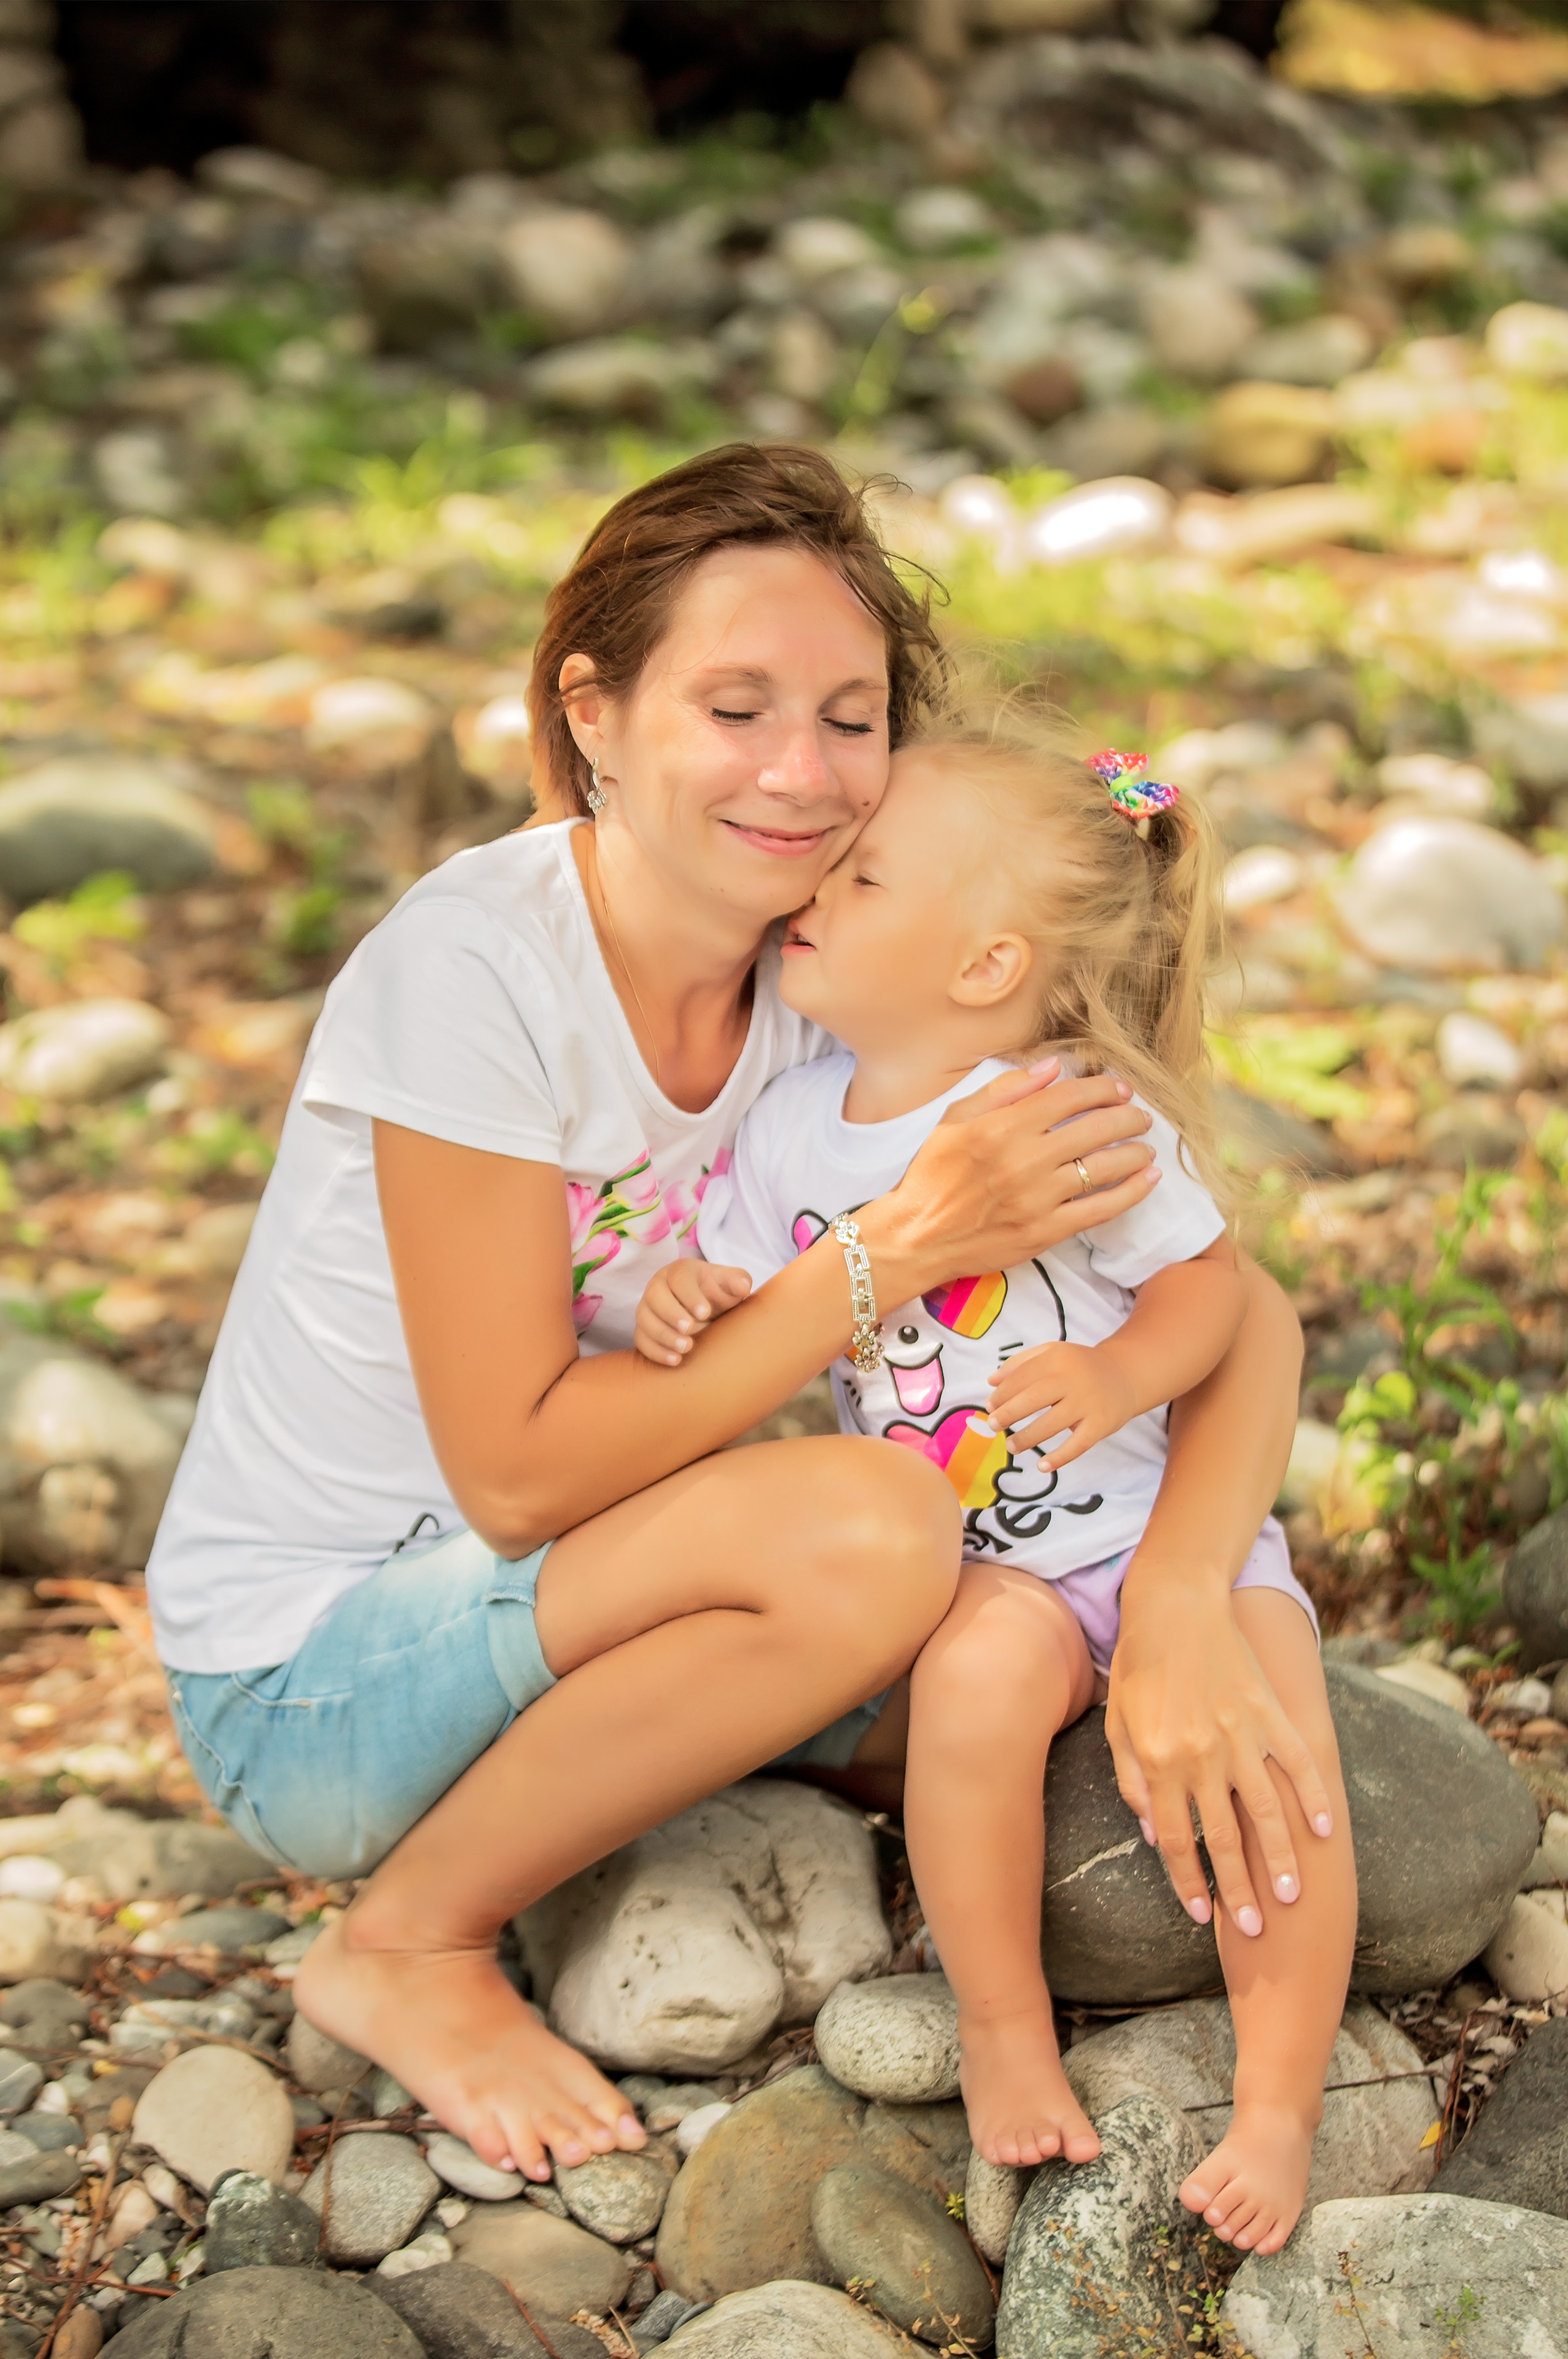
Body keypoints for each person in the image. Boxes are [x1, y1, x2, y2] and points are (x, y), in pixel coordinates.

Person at [144, 444, 1322, 2193]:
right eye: (735, 704)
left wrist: (1172, 1610)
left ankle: (1269, 2065)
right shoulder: (474, 966)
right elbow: (520, 1480)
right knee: (880, 1531)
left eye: (851, 719)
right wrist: (894, 1255)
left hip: (598, 1608)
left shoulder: (832, 990)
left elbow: (1255, 1320)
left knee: (1023, 1668)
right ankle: (408, 1940)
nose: (800, 771)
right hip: (319, 1676)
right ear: (596, 716)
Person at [634, 722, 1355, 2256]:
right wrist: (688, 1300)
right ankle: (1002, 2027)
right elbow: (771, 1311)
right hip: (990, 1576)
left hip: (1171, 1541)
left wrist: (1112, 1380)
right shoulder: (783, 1133)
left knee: (1287, 1788)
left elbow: (1212, 1295)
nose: (815, 883)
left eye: (864, 869)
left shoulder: (1066, 1108)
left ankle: (1280, 2102)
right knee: (967, 1711)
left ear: (982, 968)